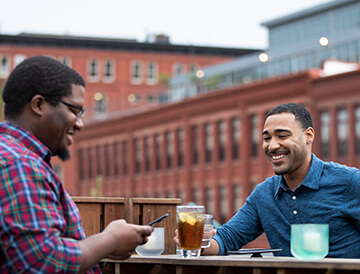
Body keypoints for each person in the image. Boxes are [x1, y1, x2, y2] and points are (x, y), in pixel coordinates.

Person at [0, 56, 153, 273]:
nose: (80, 124)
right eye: (74, 110)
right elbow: (45, 262)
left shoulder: (13, 155)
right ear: (38, 105)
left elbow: (23, 251)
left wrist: (94, 249)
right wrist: (109, 240)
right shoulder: (21, 165)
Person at [200, 103, 360, 257]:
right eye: (267, 138)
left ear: (308, 136)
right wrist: (199, 242)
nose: (272, 146)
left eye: (282, 136)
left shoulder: (350, 182)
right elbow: (228, 238)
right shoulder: (264, 194)